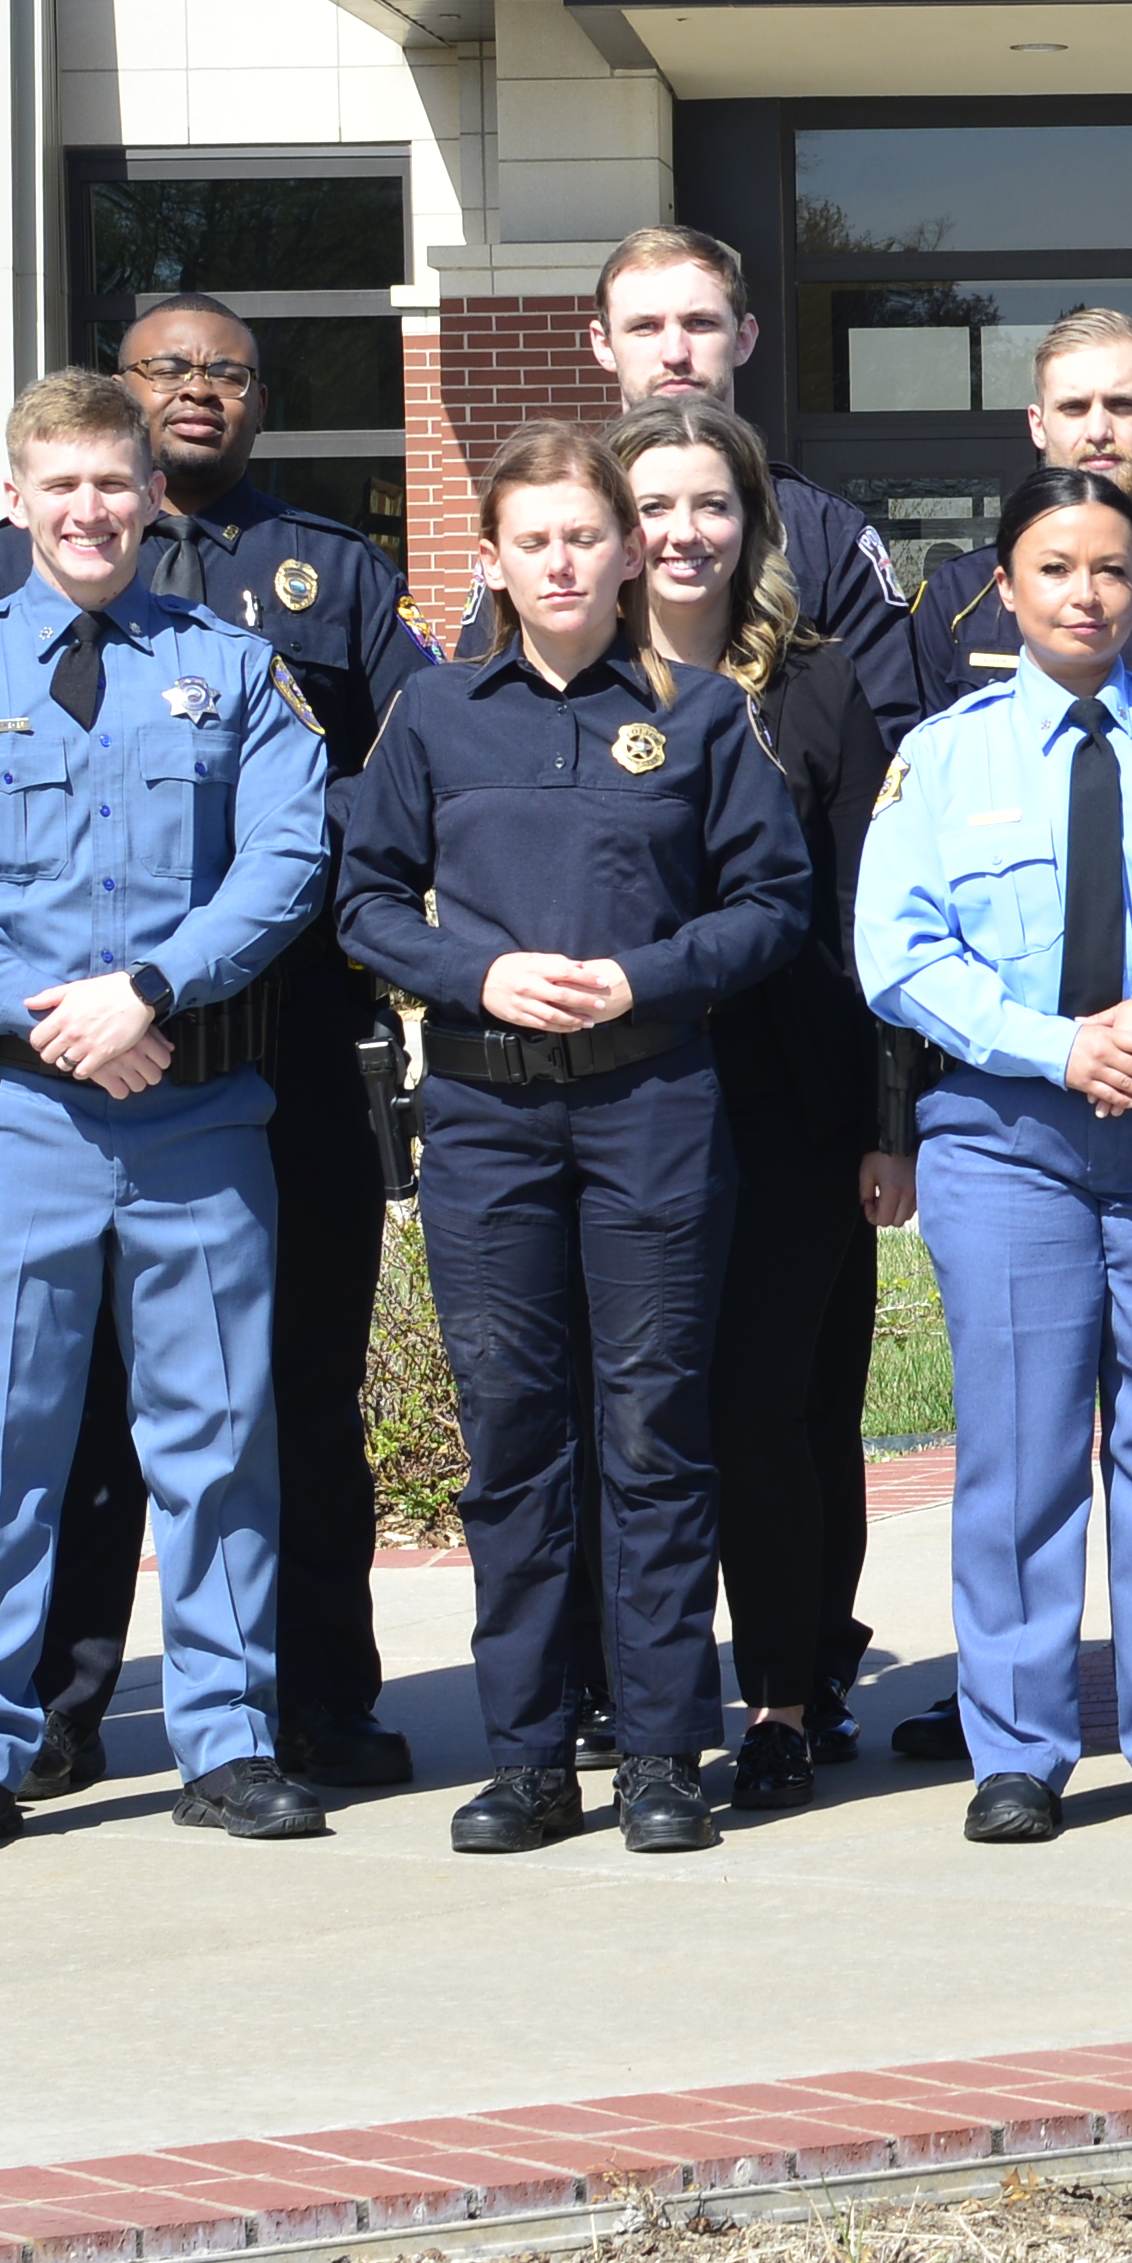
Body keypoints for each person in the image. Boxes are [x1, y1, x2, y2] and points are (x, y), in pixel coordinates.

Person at [0, 370, 342, 1860]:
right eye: (58, 486)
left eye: (112, 485)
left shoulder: (236, 671)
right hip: (16, 1120)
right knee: (2, 1442)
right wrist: (46, 1010)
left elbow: (289, 854)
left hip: (194, 1115)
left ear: (147, 495)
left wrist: (149, 988)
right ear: (15, 499)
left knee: (216, 1438)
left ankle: (229, 1740)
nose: (88, 511)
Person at [0, 294, 426, 1798]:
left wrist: (215, 916)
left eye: (227, 373)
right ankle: (61, 1702)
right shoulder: (1, 576)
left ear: (259, 401)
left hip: (275, 1050)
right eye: (170, 370)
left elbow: (391, 788)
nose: (199, 392)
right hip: (64, 1065)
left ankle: (314, 1700)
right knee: (72, 1405)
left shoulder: (336, 573)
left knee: (284, 1392)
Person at [334, 425, 815, 1859]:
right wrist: (469, 975)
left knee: (655, 1430)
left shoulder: (702, 716)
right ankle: (531, 1755)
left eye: (582, 536)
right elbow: (360, 901)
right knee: (513, 1442)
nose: (559, 561)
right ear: (487, 559)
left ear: (627, 553)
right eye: (530, 540)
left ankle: (667, 1751)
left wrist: (649, 975)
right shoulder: (434, 717)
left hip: (653, 1107)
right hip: (486, 1115)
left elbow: (773, 905)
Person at [853, 467, 1132, 1843]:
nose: (1086, 593)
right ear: (1005, 584)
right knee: (1021, 1452)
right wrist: (1056, 1046)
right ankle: (1020, 1750)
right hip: (1008, 1140)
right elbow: (896, 950)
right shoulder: (946, 751)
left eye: (1109, 568)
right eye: (1055, 567)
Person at [608, 395, 906, 1807]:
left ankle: (789, 1692)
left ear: (754, 525)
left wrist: (884, 1119)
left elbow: (868, 919)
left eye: (711, 505)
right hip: (609, 1102)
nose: (683, 532)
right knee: (641, 1406)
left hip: (790, 1103)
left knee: (780, 1409)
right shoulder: (559, 676)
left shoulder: (821, 685)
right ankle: (636, 1687)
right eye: (655, 505)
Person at [585, 222, 936, 696]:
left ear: (744, 337)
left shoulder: (825, 534)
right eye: (645, 327)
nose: (675, 353)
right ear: (603, 344)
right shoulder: (546, 522)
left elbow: (884, 732)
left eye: (700, 323)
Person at [915, 310, 1132, 681]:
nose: (1097, 431)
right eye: (1074, 408)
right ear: (1038, 425)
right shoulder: (958, 595)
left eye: (1122, 405)